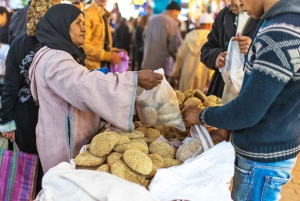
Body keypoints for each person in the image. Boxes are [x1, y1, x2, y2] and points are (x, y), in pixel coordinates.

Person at [183, 0, 300, 200]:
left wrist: (201, 115)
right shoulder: (284, 22)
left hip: (262, 158)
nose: (238, 2)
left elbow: (247, 112)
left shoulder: (279, 32)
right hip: (274, 144)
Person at [28, 4, 163, 173]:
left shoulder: (60, 54)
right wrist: (134, 78)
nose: (84, 28)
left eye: (84, 23)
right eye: (78, 23)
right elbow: (84, 85)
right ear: (61, 24)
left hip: (67, 139)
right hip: (64, 146)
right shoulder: (55, 60)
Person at [0, 0, 61, 195]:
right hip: (49, 116)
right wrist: (6, 121)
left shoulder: (19, 42)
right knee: (46, 166)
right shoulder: (60, 45)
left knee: (28, 166)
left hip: (25, 114)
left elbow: (10, 86)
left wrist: (7, 121)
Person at [200, 0, 260, 98]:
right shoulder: (223, 15)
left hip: (251, 93)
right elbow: (206, 50)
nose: (228, 4)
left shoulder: (266, 15)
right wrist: (217, 57)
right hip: (221, 91)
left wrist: (253, 49)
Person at [171, 13, 214, 92]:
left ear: (200, 24)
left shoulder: (188, 36)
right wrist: (211, 77)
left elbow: (180, 56)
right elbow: (212, 59)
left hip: (186, 74)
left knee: (185, 101)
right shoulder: (211, 38)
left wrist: (175, 73)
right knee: (199, 102)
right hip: (202, 76)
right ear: (210, 25)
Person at [142, 1, 182, 79]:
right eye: (177, 15)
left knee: (148, 90)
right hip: (162, 66)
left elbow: (144, 36)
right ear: (173, 11)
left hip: (147, 63)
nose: (177, 17)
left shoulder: (152, 19)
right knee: (161, 90)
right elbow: (174, 47)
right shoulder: (172, 23)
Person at [82, 0, 124, 70]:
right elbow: (83, 46)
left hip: (103, 68)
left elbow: (102, 43)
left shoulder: (104, 14)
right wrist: (108, 56)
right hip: (92, 69)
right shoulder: (87, 12)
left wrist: (116, 51)